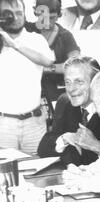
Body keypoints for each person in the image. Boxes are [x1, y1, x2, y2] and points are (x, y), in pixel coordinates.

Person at [37, 56, 100, 166]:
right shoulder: (65, 103)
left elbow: (93, 160)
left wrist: (71, 152)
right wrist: (65, 138)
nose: (71, 89)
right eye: (68, 82)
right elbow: (43, 148)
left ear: (95, 82)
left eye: (79, 82)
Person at [0, 0, 54, 154]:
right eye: (8, 14)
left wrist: (15, 45)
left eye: (19, 13)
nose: (15, 17)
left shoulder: (36, 39)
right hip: (3, 125)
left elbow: (48, 62)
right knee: (4, 174)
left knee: (37, 170)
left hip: (34, 122)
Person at [26, 0, 81, 103]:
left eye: (51, 17)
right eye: (43, 16)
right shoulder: (26, 30)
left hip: (56, 97)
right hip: (27, 93)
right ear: (35, 12)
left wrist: (44, 69)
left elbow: (75, 65)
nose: (47, 21)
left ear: (59, 14)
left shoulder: (65, 36)